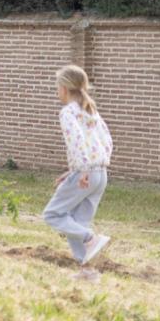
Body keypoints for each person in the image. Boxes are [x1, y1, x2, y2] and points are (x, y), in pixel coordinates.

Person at [42, 66, 113, 279]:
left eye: (57, 86)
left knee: (53, 214)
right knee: (76, 221)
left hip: (86, 172)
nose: (57, 91)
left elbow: (76, 141)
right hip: (100, 173)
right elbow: (107, 141)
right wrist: (76, 169)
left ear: (64, 88)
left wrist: (81, 169)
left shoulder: (68, 113)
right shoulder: (91, 111)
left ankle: (91, 238)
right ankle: (86, 271)